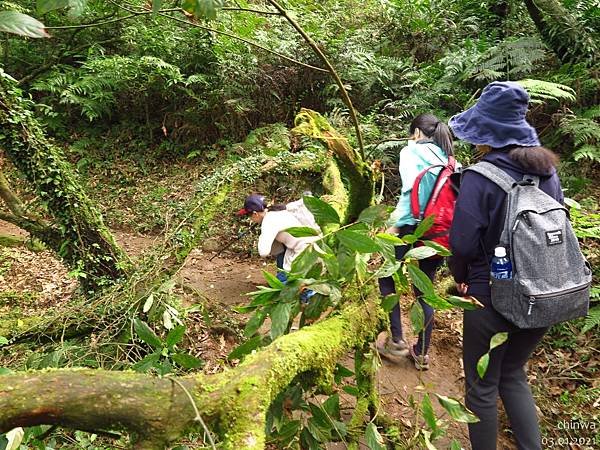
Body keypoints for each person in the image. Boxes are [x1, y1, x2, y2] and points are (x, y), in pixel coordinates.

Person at [448, 81, 563, 450]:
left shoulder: (479, 178)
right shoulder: (548, 173)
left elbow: (462, 243)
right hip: (544, 294)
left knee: (482, 387)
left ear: (488, 134)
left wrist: (460, 278)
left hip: (490, 296)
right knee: (513, 374)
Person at [377, 113, 455, 370]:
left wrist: (394, 225)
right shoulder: (451, 160)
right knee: (425, 289)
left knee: (386, 276)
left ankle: (397, 340)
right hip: (440, 233)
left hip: (411, 226)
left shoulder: (411, 153)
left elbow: (410, 190)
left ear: (418, 133)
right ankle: (421, 352)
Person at [237, 194, 319, 301]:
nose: (251, 219)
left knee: (281, 286)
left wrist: (263, 233)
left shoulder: (269, 221)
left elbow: (263, 251)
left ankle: (310, 296)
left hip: (304, 250)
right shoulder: (278, 212)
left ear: (255, 214)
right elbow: (278, 249)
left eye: (249, 216)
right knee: (282, 259)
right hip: (313, 245)